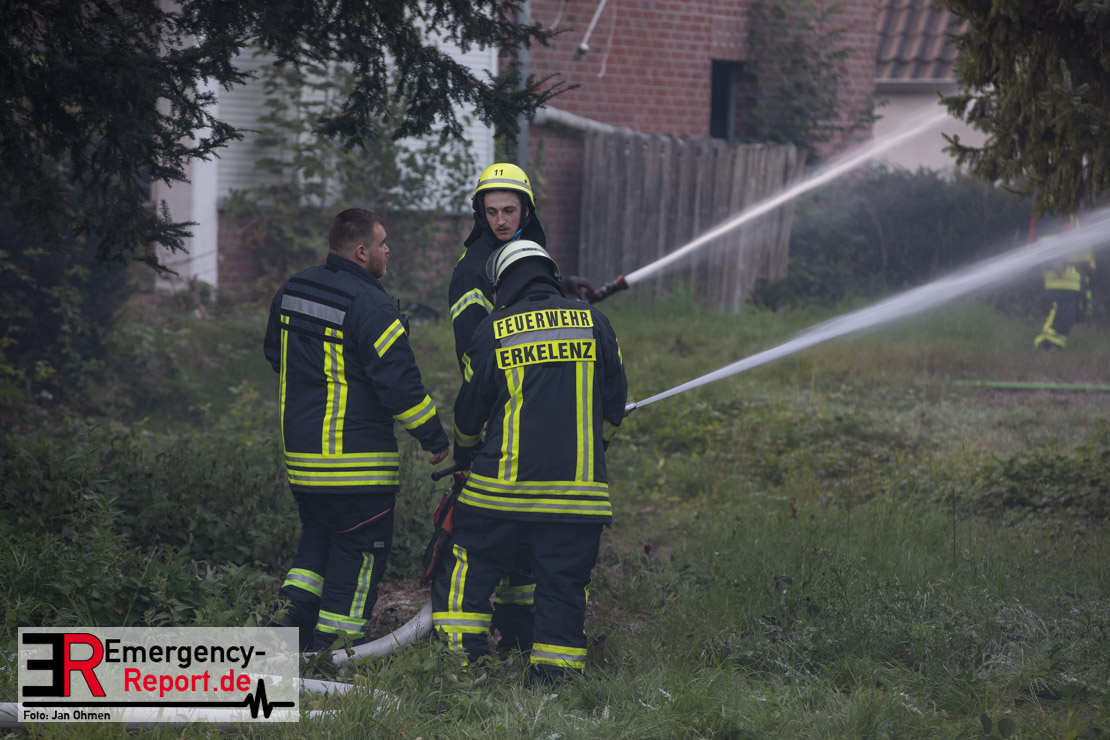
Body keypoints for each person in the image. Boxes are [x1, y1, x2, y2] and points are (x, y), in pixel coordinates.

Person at [435, 240, 628, 684]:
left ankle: (462, 665)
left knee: (469, 563)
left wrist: (466, 455)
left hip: (501, 493)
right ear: (550, 275)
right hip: (578, 497)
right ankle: (556, 678)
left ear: (502, 284)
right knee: (563, 582)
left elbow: (469, 414)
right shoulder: (595, 322)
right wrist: (591, 451)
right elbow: (614, 406)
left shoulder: (494, 328)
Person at [263, 208, 449, 652]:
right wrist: (434, 436)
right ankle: (334, 650)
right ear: (362, 252)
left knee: (317, 543)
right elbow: (399, 384)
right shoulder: (371, 305)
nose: (388, 250)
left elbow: (276, 354)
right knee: (360, 551)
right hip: (356, 464)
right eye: (383, 243)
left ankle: (290, 626)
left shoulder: (293, 290)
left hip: (304, 462)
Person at [434, 163, 547, 652]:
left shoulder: (533, 251)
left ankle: (522, 628)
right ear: (480, 214)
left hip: (539, 405)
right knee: (493, 522)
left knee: (534, 520)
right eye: (492, 211)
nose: (501, 220)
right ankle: (472, 633)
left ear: (526, 211)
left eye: (510, 210)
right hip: (503, 407)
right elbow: (473, 354)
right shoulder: (473, 268)